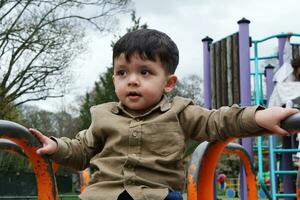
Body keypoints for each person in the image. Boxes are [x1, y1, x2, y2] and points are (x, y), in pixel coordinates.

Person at [29, 29, 299, 200]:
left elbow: (219, 120)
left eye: (144, 72)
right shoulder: (103, 115)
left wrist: (258, 116)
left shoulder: (180, 113)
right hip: (104, 195)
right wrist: (56, 146)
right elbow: (80, 150)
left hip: (155, 195)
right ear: (114, 79)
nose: (132, 80)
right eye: (122, 72)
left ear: (168, 83)